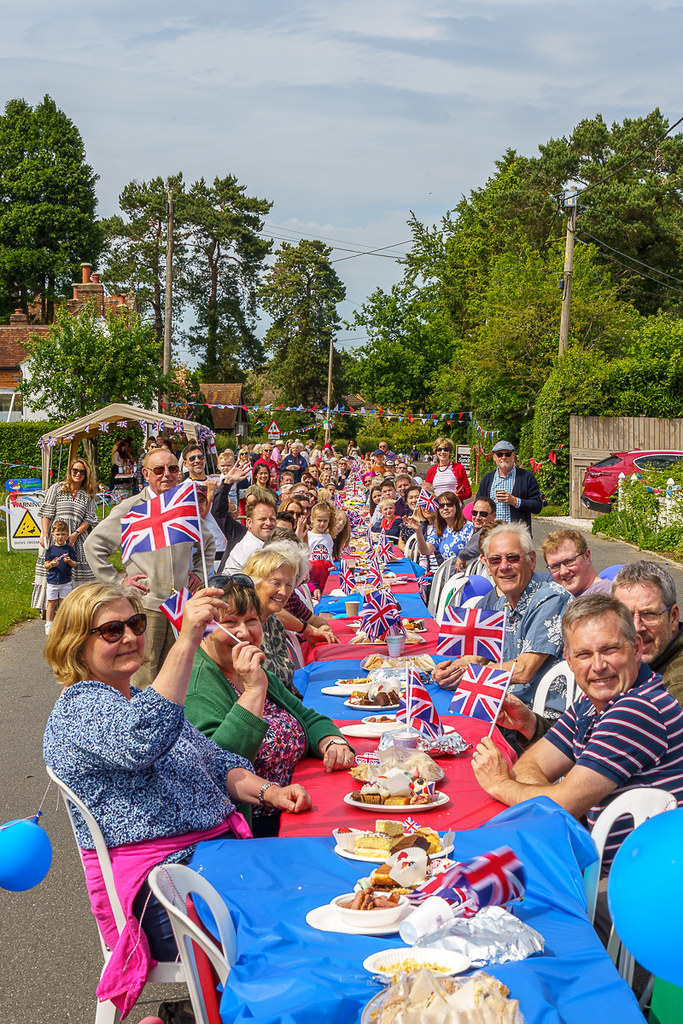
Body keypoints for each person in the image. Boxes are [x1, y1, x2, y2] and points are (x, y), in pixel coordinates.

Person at [43, 581, 311, 982]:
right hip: (161, 886)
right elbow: (141, 740)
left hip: (213, 859)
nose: (130, 637)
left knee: (314, 879)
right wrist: (187, 640)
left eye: (135, 624)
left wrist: (270, 792)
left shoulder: (135, 697)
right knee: (294, 915)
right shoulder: (78, 709)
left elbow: (216, 762)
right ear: (76, 645)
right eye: (112, 631)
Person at [471, 594, 683, 874]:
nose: (598, 665)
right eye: (584, 654)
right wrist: (550, 802)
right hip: (600, 860)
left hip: (634, 880)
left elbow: (563, 804)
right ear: (569, 661)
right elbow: (532, 767)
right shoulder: (593, 701)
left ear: (636, 648)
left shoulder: (637, 709)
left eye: (610, 649)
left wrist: (500, 784)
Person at [186, 576, 353, 837]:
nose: (243, 633)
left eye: (251, 620)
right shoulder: (197, 686)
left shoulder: (251, 669)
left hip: (300, 808)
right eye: (229, 623)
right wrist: (253, 691)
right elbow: (220, 767)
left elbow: (308, 718)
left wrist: (332, 742)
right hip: (255, 833)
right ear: (204, 630)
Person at [84, 446, 216, 688]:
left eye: (172, 468)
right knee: (144, 675)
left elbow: (207, 544)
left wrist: (198, 573)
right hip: (146, 605)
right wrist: (117, 582)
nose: (167, 474)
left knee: (177, 673)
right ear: (146, 474)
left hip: (180, 605)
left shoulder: (184, 506)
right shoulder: (132, 507)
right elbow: (93, 545)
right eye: (159, 469)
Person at [434, 523, 571, 721]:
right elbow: (478, 658)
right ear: (488, 567)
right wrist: (451, 671)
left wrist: (469, 674)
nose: (504, 566)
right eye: (495, 560)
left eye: (513, 558)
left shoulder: (550, 599)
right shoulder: (502, 604)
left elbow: (523, 670)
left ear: (532, 560)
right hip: (506, 707)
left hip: (542, 719)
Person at [32, 456, 98, 612]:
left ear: (86, 474)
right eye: (75, 470)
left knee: (76, 568)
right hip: (56, 536)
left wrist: (75, 534)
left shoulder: (87, 494)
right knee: (52, 568)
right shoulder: (57, 488)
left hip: (77, 539)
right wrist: (45, 534)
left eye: (82, 471)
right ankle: (48, 609)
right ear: (70, 471)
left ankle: (77, 608)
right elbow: (46, 512)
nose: (78, 474)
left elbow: (89, 518)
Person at [612, 561, 683, 706]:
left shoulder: (675, 689)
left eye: (649, 614)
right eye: (626, 616)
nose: (637, 628)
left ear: (673, 617)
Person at [476, 440, 542, 533]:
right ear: (494, 457)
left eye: (507, 454)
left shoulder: (526, 477)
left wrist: (515, 501)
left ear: (513, 455)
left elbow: (537, 506)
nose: (503, 457)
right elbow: (478, 505)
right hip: (492, 534)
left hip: (517, 535)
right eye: (499, 454)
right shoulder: (488, 479)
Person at [404, 491, 473, 562]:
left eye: (449, 504)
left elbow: (473, 552)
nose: (445, 508)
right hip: (448, 568)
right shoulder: (440, 529)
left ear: (457, 507)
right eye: (441, 505)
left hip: (465, 567)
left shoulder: (469, 527)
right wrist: (418, 530)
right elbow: (425, 551)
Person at [541, 529, 611, 597]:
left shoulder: (604, 596)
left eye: (569, 561)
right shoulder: (561, 596)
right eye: (555, 566)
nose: (563, 572)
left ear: (587, 556)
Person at [218, 498, 277, 574]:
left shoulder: (262, 543)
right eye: (262, 519)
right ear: (249, 522)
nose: (268, 523)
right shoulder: (253, 548)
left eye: (272, 519)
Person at [43, 520, 77, 635]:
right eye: (58, 534)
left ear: (67, 535)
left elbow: (75, 564)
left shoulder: (69, 549)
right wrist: (52, 564)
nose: (60, 537)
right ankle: (49, 624)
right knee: (51, 603)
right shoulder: (50, 549)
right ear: (53, 535)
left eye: (63, 534)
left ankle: (64, 624)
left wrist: (69, 561)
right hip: (52, 582)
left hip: (65, 582)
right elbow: (46, 565)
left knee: (64, 604)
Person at [454, 497, 497, 570]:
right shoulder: (468, 529)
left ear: (494, 516)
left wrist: (462, 556)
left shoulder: (490, 531)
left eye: (483, 514)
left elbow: (479, 542)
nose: (477, 517)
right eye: (474, 513)